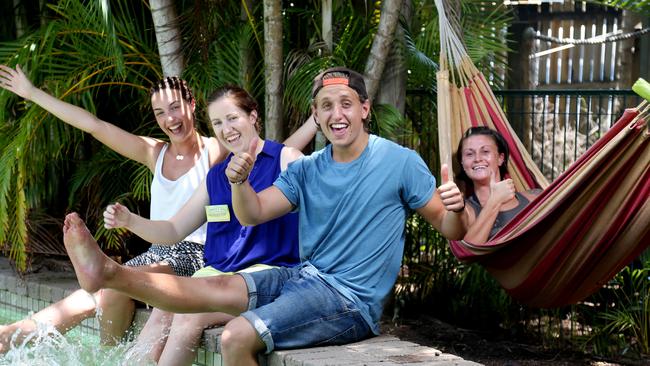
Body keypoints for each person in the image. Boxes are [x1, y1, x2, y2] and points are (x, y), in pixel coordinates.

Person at [60, 66, 467, 365]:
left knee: (235, 336)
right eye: (325, 106)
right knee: (211, 290)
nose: (336, 114)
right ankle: (110, 274)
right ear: (316, 114)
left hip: (349, 299)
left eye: (346, 104)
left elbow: (453, 230)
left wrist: (457, 208)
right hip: (304, 277)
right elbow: (253, 214)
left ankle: (110, 274)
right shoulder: (308, 168)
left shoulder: (399, 162)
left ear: (364, 108)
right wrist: (239, 182)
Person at [0, 65, 316, 351]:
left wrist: (314, 121)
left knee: (116, 282)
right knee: (103, 291)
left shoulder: (216, 149)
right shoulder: (155, 153)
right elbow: (94, 125)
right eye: (160, 112)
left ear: (192, 106)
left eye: (176, 107)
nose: (170, 118)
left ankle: (88, 345)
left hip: (196, 253)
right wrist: (32, 94)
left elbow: (267, 151)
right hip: (160, 248)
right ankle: (68, 344)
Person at [103, 85, 302, 365]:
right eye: (218, 123)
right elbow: (173, 231)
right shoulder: (216, 175)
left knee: (188, 315)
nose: (226, 129)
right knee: (164, 308)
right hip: (214, 274)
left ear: (253, 116)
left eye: (232, 118)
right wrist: (130, 220)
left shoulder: (286, 159)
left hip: (264, 276)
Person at [455, 126, 540, 244]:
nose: (477, 158)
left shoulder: (534, 197)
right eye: (469, 154)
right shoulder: (464, 212)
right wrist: (495, 200)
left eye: (485, 151)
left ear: (500, 158)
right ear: (463, 163)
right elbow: (469, 250)